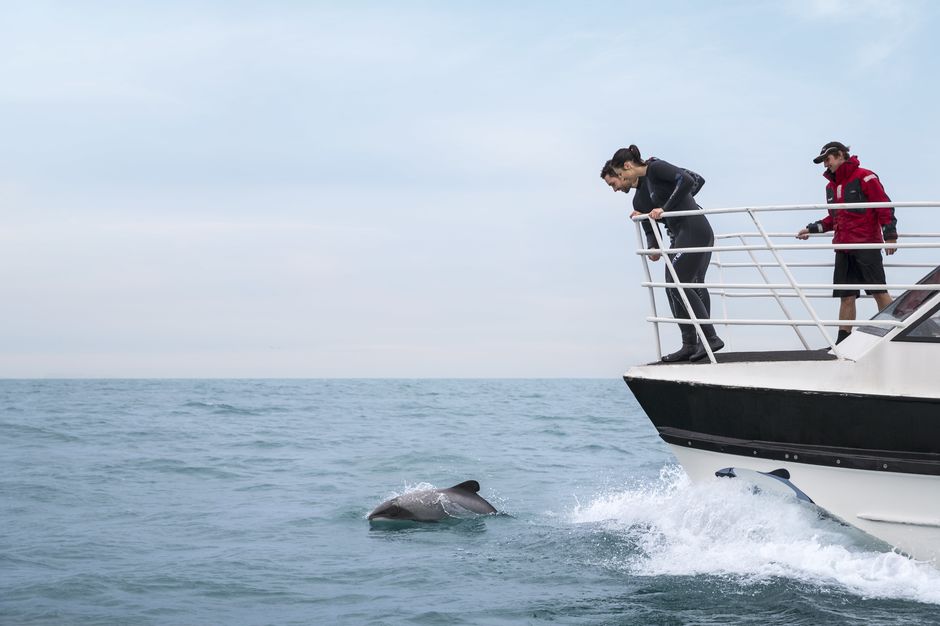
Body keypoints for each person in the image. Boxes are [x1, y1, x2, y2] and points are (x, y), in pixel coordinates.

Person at [606, 145, 723, 362]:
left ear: (627, 166)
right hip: (681, 234)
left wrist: (667, 208)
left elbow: (688, 180)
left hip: (694, 229)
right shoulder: (640, 197)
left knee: (680, 282)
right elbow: (651, 229)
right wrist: (653, 246)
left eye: (618, 177)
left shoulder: (656, 167)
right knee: (675, 285)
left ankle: (710, 338)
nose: (618, 183)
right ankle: (690, 343)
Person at [796, 141, 898, 344]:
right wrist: (812, 229)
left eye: (828, 159)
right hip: (843, 248)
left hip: (866, 245)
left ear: (841, 155)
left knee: (879, 292)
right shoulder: (830, 187)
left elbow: (884, 205)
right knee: (846, 296)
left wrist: (890, 234)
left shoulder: (865, 176)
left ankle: (895, 333)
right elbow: (834, 218)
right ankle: (842, 343)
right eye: (824, 161)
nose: (826, 164)